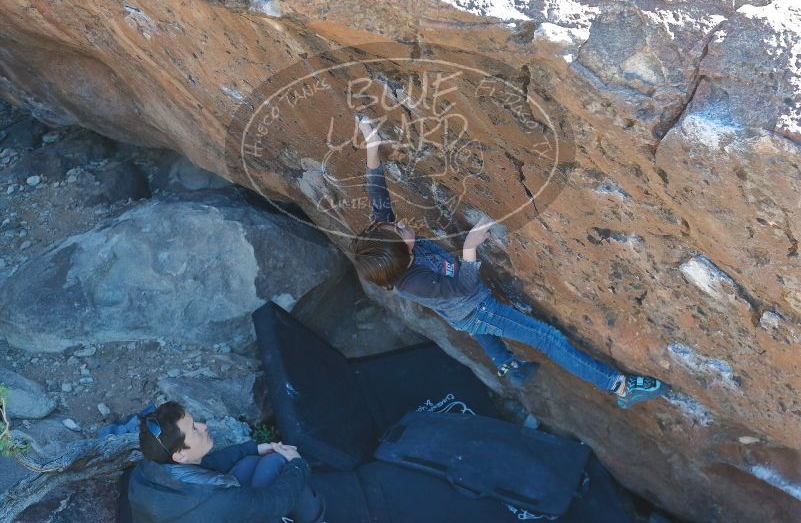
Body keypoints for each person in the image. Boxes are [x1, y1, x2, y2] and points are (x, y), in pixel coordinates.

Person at [350, 113, 667, 408]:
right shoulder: (413, 282)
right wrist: (471, 247)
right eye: (398, 230)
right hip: (477, 308)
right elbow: (463, 285)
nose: (401, 223)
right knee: (547, 338)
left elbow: (377, 192)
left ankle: (506, 364)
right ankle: (620, 387)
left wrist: (371, 143)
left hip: (459, 311)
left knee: (469, 324)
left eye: (392, 224)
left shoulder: (389, 244)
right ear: (401, 256)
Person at [128, 401, 325, 522]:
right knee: (278, 467)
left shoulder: (148, 469)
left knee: (250, 462)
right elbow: (275, 502)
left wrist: (253, 448)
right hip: (215, 510)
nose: (203, 426)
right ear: (180, 456)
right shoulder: (218, 500)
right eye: (194, 430)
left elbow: (204, 464)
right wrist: (298, 464)